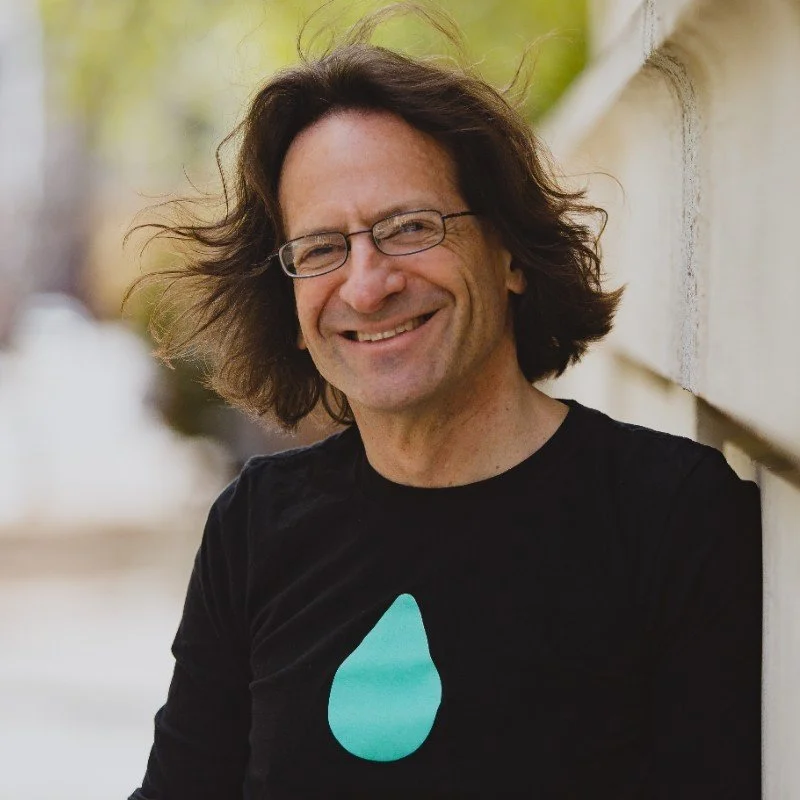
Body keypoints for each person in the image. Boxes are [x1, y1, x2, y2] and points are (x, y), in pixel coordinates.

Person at [127, 8, 762, 799]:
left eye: (410, 226)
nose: (367, 283)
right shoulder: (254, 530)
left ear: (510, 256)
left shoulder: (674, 518)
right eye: (323, 248)